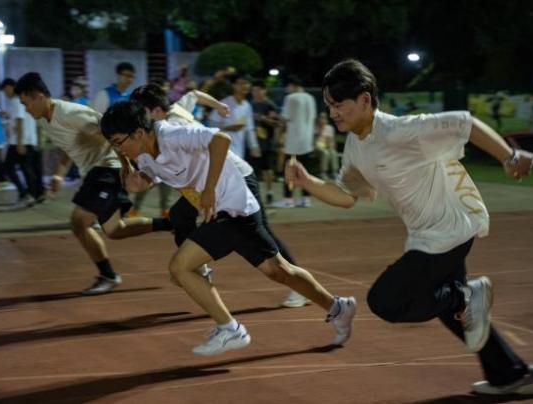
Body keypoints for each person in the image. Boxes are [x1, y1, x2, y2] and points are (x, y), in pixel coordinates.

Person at [285, 59, 533, 396]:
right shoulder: (355, 145)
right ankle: (512, 375)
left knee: (386, 301)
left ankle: (466, 297)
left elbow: (466, 123)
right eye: (329, 106)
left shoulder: (401, 131)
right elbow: (347, 197)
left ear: (364, 99)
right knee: (457, 313)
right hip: (429, 234)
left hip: (449, 229)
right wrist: (307, 182)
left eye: (338, 104)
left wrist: (509, 157)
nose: (332, 113)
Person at [100, 100, 356, 355]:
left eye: (119, 142)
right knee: (279, 271)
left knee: (181, 268)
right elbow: (151, 176)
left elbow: (221, 139)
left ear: (139, 133)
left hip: (233, 208)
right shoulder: (144, 155)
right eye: (114, 144)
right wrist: (138, 181)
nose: (118, 149)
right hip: (229, 212)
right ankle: (338, 307)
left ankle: (230, 329)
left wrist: (209, 189)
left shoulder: (172, 134)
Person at [130, 83, 310, 308]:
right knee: (179, 215)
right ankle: (199, 268)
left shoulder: (172, 128)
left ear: (156, 111)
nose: (135, 118)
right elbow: (194, 94)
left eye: (139, 112)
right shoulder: (174, 110)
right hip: (207, 184)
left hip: (234, 177)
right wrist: (218, 105)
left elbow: (213, 142)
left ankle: (300, 287)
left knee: (261, 234)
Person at [14, 72, 171, 295]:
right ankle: (172, 223)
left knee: (79, 221)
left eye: (26, 103)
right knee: (115, 230)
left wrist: (128, 167)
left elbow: (113, 132)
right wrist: (59, 175)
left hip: (107, 168)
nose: (26, 109)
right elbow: (69, 147)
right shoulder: (43, 120)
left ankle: (108, 275)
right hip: (94, 172)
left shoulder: (70, 113)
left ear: (39, 96)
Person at [272, 75, 316, 208]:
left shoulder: (291, 98)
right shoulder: (310, 98)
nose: (287, 89)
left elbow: (285, 118)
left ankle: (288, 199)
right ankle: (306, 199)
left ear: (293, 85)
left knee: (289, 170)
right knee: (305, 171)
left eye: (288, 86)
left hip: (293, 142)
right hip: (307, 141)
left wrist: (275, 117)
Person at [0, 78, 44, 207]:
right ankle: (32, 194)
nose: (5, 93)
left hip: (19, 141)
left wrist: (20, 143)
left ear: (10, 87)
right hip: (28, 140)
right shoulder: (25, 100)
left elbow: (20, 121)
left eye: (4, 90)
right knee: (26, 168)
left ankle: (25, 194)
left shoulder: (16, 101)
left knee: (9, 168)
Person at [208, 73, 260, 160]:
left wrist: (254, 146)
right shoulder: (224, 103)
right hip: (223, 149)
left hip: (239, 150)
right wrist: (227, 128)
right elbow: (210, 124)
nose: (245, 86)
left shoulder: (247, 106)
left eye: (247, 83)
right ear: (233, 86)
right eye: (241, 83)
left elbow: (249, 129)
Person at [251, 79, 280, 205]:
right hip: (252, 142)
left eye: (258, 90)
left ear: (264, 91)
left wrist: (263, 118)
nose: (255, 93)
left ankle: (269, 192)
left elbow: (276, 123)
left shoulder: (269, 105)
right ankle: (253, 195)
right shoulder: (250, 104)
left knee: (266, 169)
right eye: (254, 90)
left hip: (266, 143)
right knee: (251, 169)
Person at [315, 111, 338, 179]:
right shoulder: (315, 127)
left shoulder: (330, 128)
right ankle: (323, 172)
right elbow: (315, 141)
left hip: (327, 146)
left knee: (333, 152)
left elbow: (332, 141)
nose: (322, 119)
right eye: (321, 118)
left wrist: (331, 145)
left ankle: (334, 172)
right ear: (318, 119)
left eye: (324, 118)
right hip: (316, 148)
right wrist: (321, 129)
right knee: (325, 153)